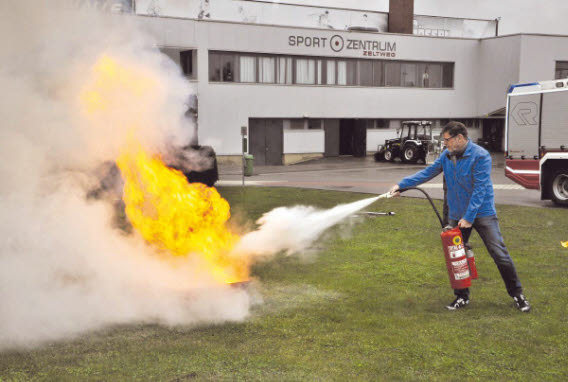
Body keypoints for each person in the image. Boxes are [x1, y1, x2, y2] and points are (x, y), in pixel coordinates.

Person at [389, 121, 531, 312]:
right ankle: (462, 297)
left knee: (499, 253)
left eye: (447, 140)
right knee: (456, 256)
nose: (444, 143)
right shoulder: (447, 156)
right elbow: (427, 172)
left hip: (482, 213)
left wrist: (470, 217)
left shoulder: (480, 156)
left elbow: (480, 189)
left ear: (460, 138)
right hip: (457, 214)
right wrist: (402, 185)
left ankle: (518, 295)